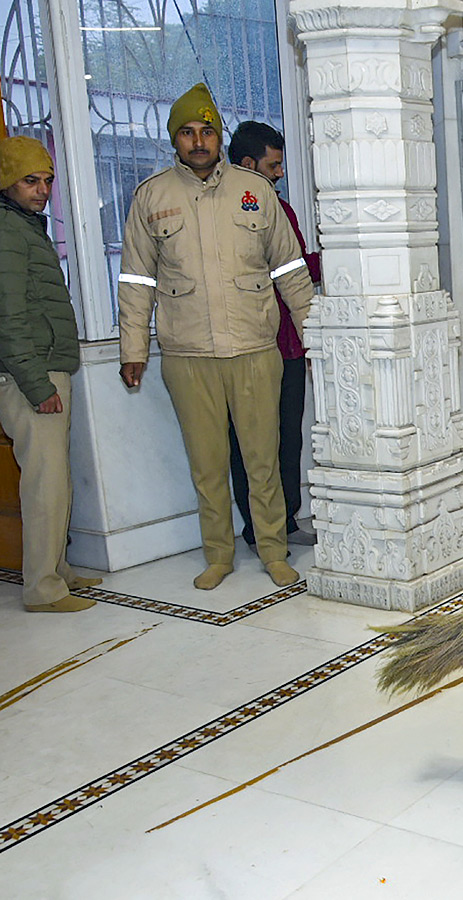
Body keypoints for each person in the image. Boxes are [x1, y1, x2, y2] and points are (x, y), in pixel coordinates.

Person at [117, 84, 313, 590]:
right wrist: (133, 348)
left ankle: (273, 549)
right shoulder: (152, 197)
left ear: (219, 137)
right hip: (188, 355)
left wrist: (314, 333)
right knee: (207, 465)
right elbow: (137, 280)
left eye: (207, 131)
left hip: (253, 349)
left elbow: (291, 269)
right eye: (188, 132)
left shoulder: (256, 191)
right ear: (174, 140)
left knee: (262, 458)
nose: (198, 141)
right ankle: (219, 555)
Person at [0, 135, 102, 612]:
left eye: (47, 181)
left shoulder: (25, 226)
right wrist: (37, 385)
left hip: (45, 368)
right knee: (44, 481)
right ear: (7, 183)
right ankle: (42, 589)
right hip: (31, 376)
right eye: (30, 181)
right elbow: (9, 316)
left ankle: (55, 570)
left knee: (54, 477)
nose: (42, 190)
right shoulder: (7, 231)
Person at [226, 121, 320, 547]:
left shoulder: (280, 209)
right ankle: (258, 527)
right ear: (249, 165)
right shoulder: (223, 212)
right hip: (248, 342)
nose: (280, 173)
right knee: (250, 439)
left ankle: (284, 523)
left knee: (287, 434)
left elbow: (294, 269)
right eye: (274, 165)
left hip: (288, 342)